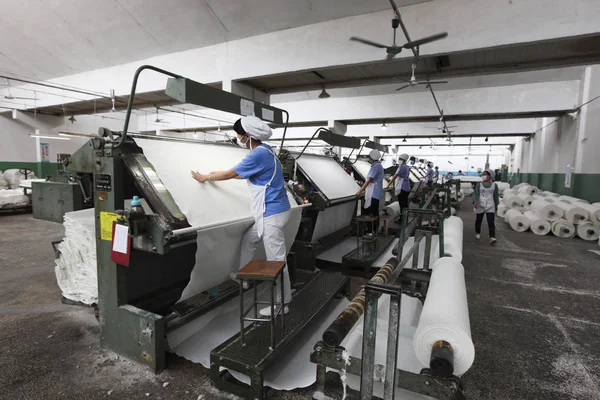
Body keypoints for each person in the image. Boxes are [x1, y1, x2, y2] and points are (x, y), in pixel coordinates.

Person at [190, 115, 292, 317]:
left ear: (248, 136)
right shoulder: (266, 150)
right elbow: (241, 173)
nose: (237, 138)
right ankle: (243, 277)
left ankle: (282, 303)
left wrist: (206, 177)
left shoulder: (257, 155)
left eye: (238, 134)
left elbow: (231, 174)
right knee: (249, 239)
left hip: (271, 214)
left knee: (276, 261)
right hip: (275, 210)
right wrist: (217, 174)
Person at [356, 149, 384, 233]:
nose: (368, 158)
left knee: (370, 213)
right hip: (376, 192)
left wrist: (360, 191)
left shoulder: (376, 166)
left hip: (373, 193)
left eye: (369, 156)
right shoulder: (378, 165)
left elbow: (368, 180)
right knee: (374, 212)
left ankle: (371, 232)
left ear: (372, 157)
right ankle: (374, 231)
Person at [472, 169, 499, 244]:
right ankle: (477, 233)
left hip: (490, 205)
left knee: (491, 221)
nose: (483, 176)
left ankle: (492, 237)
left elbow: (496, 195)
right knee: (478, 220)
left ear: (490, 176)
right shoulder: (479, 185)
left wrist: (496, 204)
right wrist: (475, 201)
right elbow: (476, 194)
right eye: (483, 174)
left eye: (485, 174)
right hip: (480, 204)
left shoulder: (494, 185)